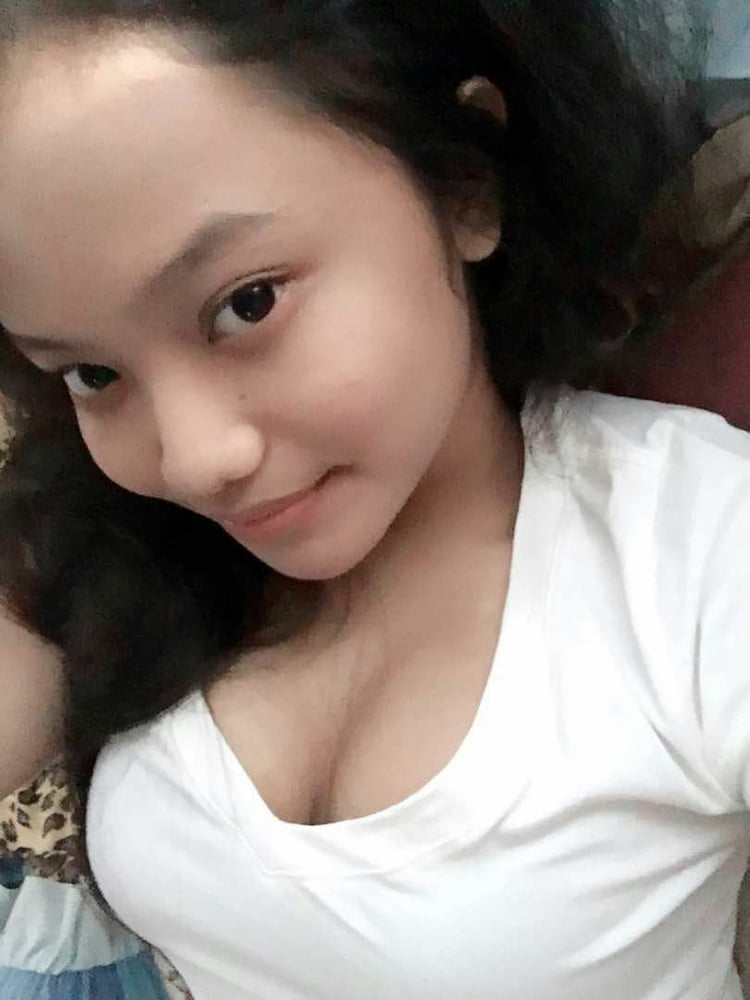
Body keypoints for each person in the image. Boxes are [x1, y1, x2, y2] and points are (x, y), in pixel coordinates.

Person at [0, 1, 747, 997]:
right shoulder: (107, 535)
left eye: (247, 304)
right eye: (92, 372)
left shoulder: (696, 554)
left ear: (463, 185)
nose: (192, 461)